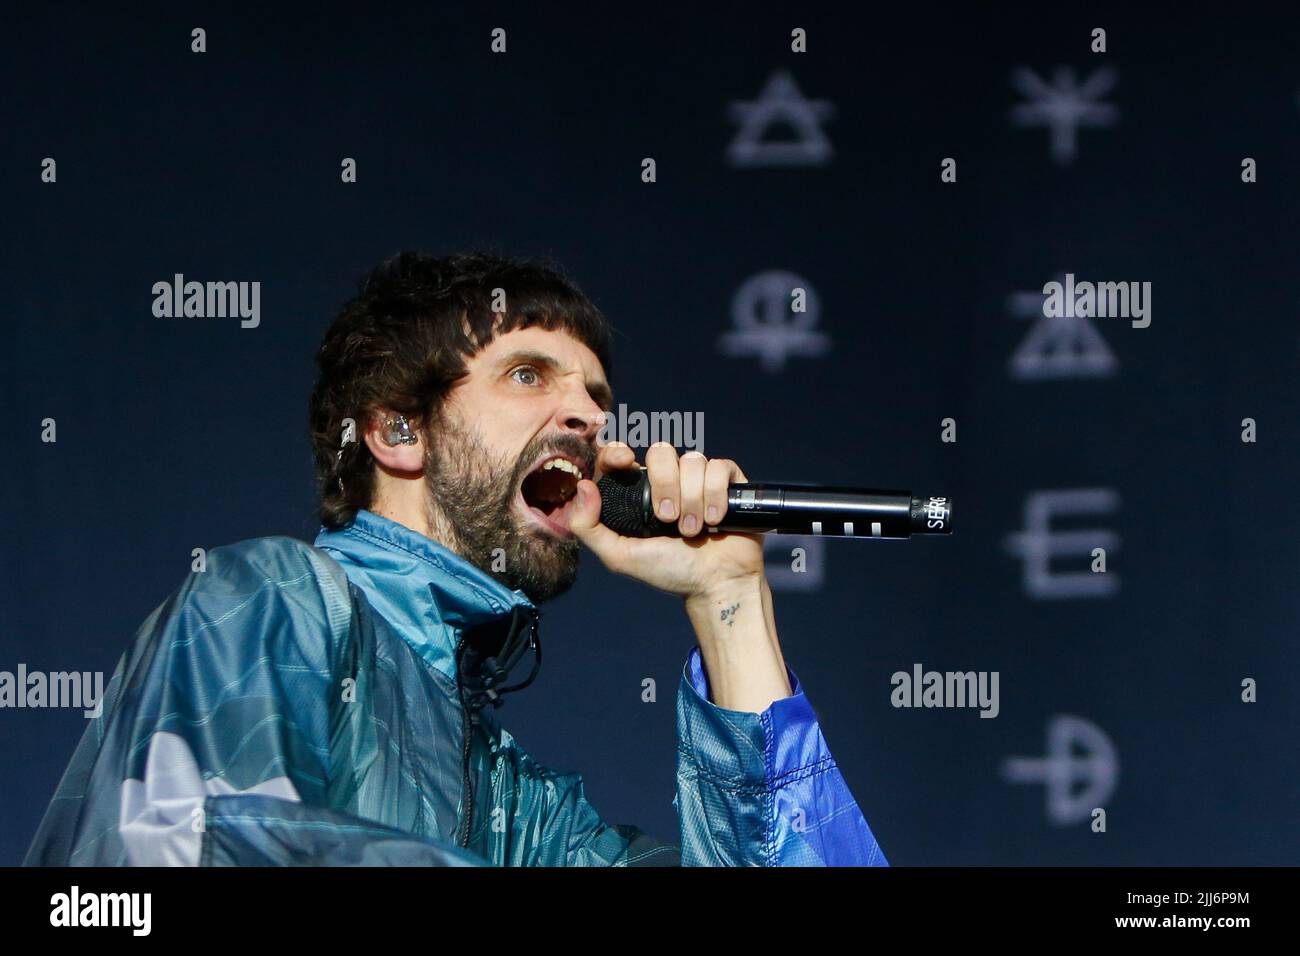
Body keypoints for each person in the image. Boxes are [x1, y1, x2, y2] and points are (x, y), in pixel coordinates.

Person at [24, 251, 888, 866]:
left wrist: (728, 599)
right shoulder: (271, 596)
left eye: (597, 396)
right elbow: (188, 847)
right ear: (398, 431)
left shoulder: (524, 806)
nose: (588, 417)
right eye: (528, 376)